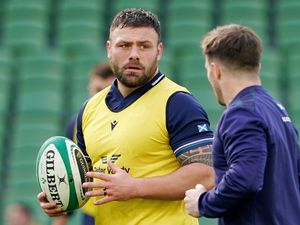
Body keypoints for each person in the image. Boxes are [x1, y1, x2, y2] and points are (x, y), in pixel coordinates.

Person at [38, 8, 215, 225]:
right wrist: (62, 199)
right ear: (109, 48)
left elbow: (206, 175)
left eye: (144, 46)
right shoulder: (89, 109)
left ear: (158, 51)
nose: (134, 54)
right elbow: (86, 183)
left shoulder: (178, 102)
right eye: (124, 45)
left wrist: (135, 187)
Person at [184, 24, 300, 225]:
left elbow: (245, 179)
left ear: (215, 70)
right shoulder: (276, 109)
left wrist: (203, 202)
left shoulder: (241, 113)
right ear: (258, 66)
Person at [53, 62, 115, 225]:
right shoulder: (76, 124)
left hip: (127, 210)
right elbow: (69, 172)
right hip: (91, 214)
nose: (100, 96)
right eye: (97, 90)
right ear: (89, 87)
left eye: (107, 90)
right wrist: (62, 215)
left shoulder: (131, 121)